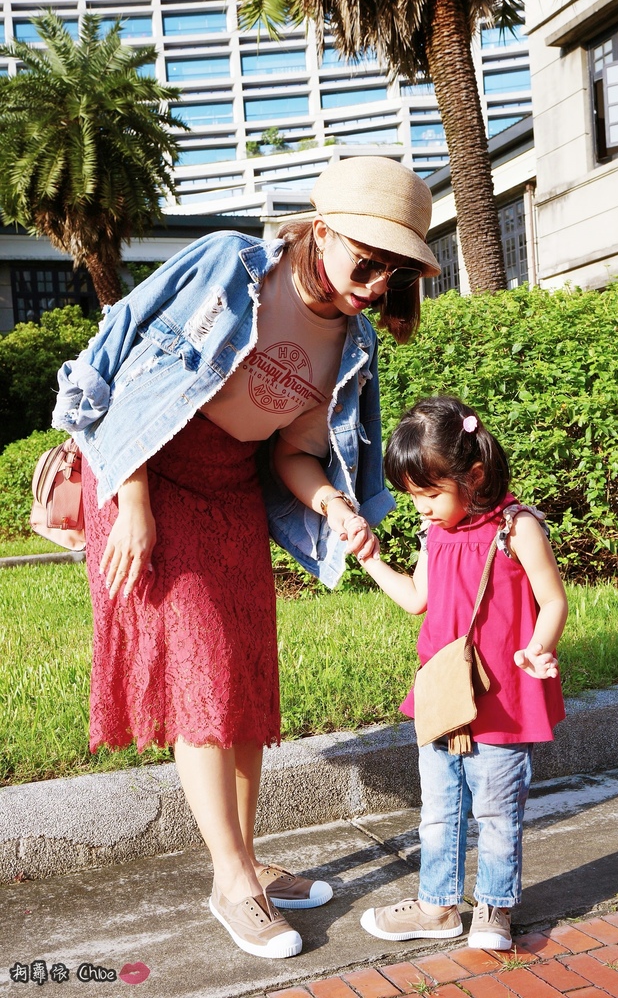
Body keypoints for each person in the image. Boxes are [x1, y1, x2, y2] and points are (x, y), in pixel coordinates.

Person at [51, 156, 440, 961]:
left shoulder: (353, 343)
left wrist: (331, 501)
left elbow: (298, 453)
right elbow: (117, 364)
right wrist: (132, 503)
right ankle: (231, 882)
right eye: (365, 262)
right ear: (320, 231)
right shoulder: (232, 266)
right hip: (142, 469)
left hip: (229, 487)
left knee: (245, 676)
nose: (374, 285)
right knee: (198, 667)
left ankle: (246, 857)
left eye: (393, 273)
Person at [357, 395, 567, 951]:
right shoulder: (434, 534)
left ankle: (493, 908)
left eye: (430, 495)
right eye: (413, 497)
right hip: (444, 693)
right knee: (438, 809)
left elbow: (553, 602)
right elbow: (415, 598)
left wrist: (537, 649)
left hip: (503, 699)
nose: (421, 509)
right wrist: (372, 560)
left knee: (498, 809)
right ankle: (438, 904)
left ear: (473, 476)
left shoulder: (516, 528)